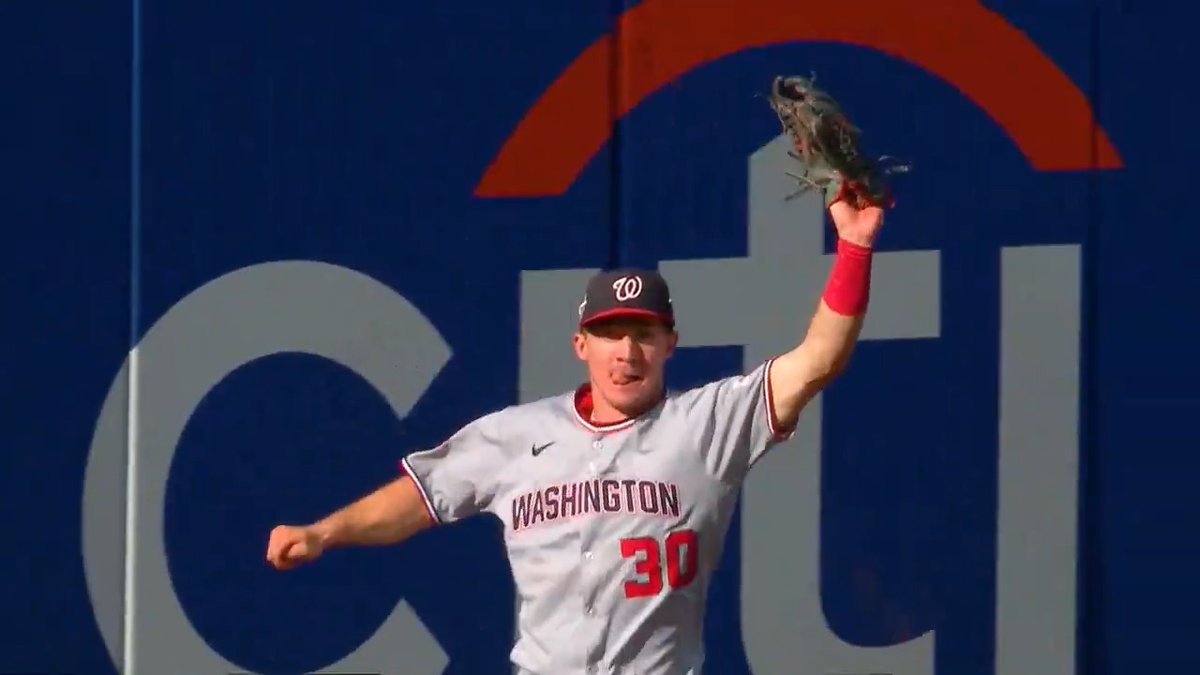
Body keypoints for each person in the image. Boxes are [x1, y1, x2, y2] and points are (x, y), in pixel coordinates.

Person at [265, 195, 884, 674]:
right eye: (612, 333)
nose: (628, 351)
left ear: (670, 344)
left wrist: (854, 246)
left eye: (644, 333)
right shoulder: (516, 434)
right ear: (581, 345)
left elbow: (819, 358)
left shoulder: (708, 424)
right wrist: (326, 531)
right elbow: (423, 496)